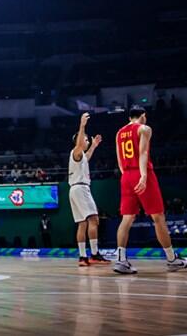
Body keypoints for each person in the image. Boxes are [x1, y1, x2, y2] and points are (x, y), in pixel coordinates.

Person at [112, 105, 187, 274]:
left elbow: (119, 160)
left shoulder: (119, 133)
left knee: (127, 218)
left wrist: (128, 176)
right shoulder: (144, 128)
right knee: (158, 217)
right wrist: (142, 176)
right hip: (142, 173)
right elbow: (143, 153)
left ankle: (120, 260)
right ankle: (172, 259)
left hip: (125, 176)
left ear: (129, 118)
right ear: (143, 116)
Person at [69, 113, 106, 266]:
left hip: (75, 190)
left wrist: (94, 146)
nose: (86, 140)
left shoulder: (81, 156)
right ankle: (95, 254)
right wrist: (82, 125)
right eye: (85, 139)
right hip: (81, 189)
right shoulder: (76, 151)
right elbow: (79, 143)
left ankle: (83, 257)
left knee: (82, 223)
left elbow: (87, 156)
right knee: (93, 220)